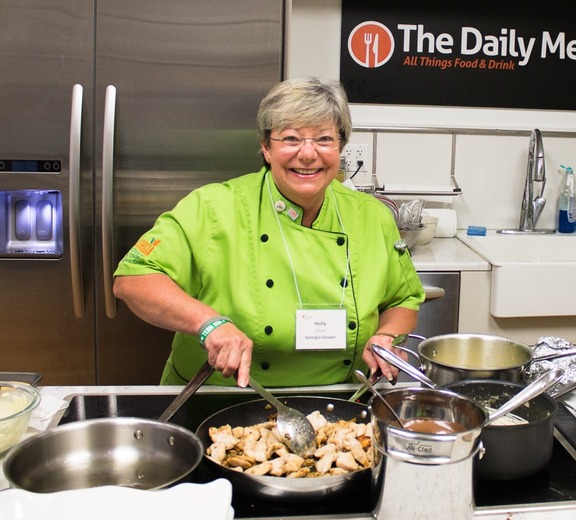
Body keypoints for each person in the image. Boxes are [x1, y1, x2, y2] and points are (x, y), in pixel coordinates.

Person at [113, 77, 425, 388]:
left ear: (340, 146)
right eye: (291, 139)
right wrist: (209, 324)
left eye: (324, 139)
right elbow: (133, 279)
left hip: (342, 399)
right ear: (265, 147)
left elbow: (403, 298)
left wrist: (385, 336)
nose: (307, 153)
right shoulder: (214, 206)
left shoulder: (371, 215)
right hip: (219, 396)